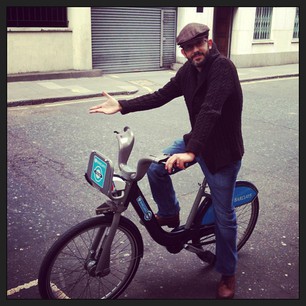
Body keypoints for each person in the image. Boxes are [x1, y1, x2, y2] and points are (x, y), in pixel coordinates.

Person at [89, 22, 244, 299]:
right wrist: (123, 105)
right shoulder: (187, 72)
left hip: (222, 153)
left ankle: (228, 272)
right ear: (183, 52)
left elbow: (211, 110)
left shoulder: (223, 68)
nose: (194, 50)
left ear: (208, 43)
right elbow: (161, 95)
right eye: (187, 47)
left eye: (199, 43)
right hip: (196, 141)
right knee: (155, 169)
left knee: (225, 217)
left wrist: (191, 152)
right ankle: (170, 211)